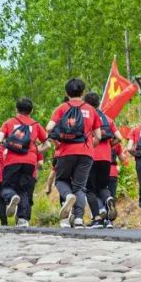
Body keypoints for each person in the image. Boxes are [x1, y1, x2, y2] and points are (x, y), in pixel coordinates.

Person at [46, 78, 102, 229]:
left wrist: (58, 142)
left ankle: (68, 196)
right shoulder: (91, 110)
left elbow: (49, 128)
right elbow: (98, 136)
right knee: (80, 187)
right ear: (83, 92)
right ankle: (78, 219)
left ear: (67, 92)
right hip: (86, 152)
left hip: (65, 151)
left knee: (60, 180)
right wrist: (90, 146)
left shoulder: (62, 108)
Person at [0, 97, 48, 227]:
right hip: (30, 162)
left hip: (12, 161)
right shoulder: (35, 124)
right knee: (23, 189)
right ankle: (22, 219)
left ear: (16, 109)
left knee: (6, 187)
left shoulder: (9, 122)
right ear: (31, 110)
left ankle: (11, 197)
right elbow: (48, 144)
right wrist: (34, 150)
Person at [83, 92, 122, 229]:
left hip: (90, 156)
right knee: (103, 187)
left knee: (89, 189)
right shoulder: (107, 119)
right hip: (106, 158)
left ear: (86, 104)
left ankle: (97, 218)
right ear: (98, 103)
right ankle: (108, 198)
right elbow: (119, 137)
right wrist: (110, 145)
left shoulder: (86, 118)